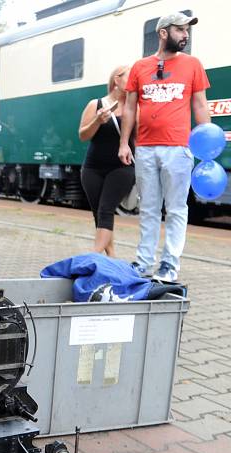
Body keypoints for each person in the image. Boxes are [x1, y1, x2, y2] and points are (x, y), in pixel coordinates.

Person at [118, 12, 209, 283]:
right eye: (180, 30)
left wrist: (207, 149)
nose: (185, 35)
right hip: (145, 148)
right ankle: (144, 262)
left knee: (177, 208)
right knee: (148, 208)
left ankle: (169, 263)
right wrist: (124, 142)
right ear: (163, 33)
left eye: (187, 31)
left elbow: (201, 106)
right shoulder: (139, 67)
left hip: (179, 148)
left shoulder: (193, 65)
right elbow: (131, 107)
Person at [78, 65, 135, 257]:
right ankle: (111, 258)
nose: (134, 81)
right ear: (116, 80)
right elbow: (83, 135)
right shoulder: (96, 104)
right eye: (130, 77)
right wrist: (97, 121)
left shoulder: (135, 106)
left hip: (122, 167)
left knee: (105, 209)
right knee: (99, 213)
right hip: (92, 168)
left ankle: (93, 256)